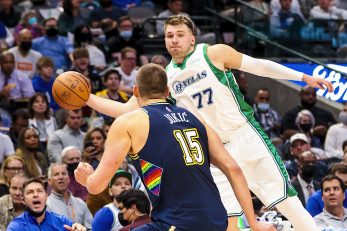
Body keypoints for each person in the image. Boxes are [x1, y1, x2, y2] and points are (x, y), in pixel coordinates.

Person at [85, 15, 334, 231]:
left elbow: (258, 66)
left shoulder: (213, 53)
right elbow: (124, 109)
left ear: (192, 39)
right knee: (227, 222)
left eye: (180, 35)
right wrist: (87, 98)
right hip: (212, 152)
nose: (173, 40)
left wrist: (303, 77)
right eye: (169, 35)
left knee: (286, 201)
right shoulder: (165, 80)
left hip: (245, 137)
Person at [76, 64, 274, 231]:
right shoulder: (196, 118)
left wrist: (86, 178)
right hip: (216, 220)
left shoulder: (128, 122)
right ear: (167, 92)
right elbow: (233, 169)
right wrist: (254, 222)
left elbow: (97, 186)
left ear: (135, 91)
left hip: (178, 222)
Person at [7, 178, 87, 231]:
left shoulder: (62, 222)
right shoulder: (15, 227)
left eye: (39, 191)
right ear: (23, 200)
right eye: (30, 192)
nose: (35, 195)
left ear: (46, 197)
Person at [46, 164, 93, 230]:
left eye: (64, 173)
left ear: (68, 179)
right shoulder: (46, 205)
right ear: (49, 181)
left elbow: (91, 228)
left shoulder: (80, 203)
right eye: (56, 174)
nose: (61, 177)